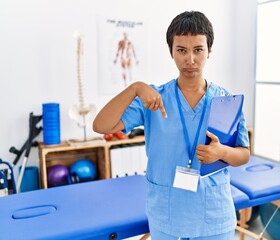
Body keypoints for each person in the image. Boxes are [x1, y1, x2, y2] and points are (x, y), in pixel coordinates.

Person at [93, 11, 250, 240]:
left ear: (209, 51)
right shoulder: (154, 99)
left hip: (214, 219)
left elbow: (244, 155)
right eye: (181, 50)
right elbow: (101, 125)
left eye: (198, 50)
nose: (190, 59)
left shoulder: (225, 101)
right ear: (171, 51)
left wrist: (222, 152)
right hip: (167, 218)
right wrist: (135, 88)